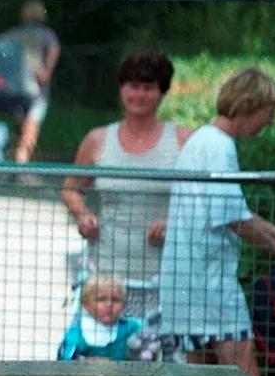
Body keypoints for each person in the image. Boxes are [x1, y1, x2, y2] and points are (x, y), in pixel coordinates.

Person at [158, 67, 275, 376]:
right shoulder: (220, 147)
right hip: (211, 288)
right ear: (250, 105)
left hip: (186, 287)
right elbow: (234, 220)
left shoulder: (203, 140)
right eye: (269, 113)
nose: (269, 121)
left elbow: (234, 211)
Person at [60, 49, 192, 321]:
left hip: (162, 273)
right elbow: (71, 189)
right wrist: (82, 215)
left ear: (162, 92)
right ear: (121, 89)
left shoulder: (182, 140)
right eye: (133, 86)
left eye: (149, 87)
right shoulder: (97, 139)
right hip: (106, 275)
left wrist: (174, 221)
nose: (140, 95)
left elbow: (203, 200)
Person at [0, 0, 59, 164]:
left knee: (22, 126)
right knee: (31, 127)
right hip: (37, 89)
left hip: (16, 88)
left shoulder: (14, 34)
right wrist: (45, 70)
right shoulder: (47, 35)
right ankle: (22, 160)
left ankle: (17, 157)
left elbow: (0, 49)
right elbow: (53, 52)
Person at [57, 275, 148, 362]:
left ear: (124, 305)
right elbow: (66, 364)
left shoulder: (131, 329)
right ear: (85, 304)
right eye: (101, 299)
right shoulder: (76, 334)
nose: (109, 304)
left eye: (115, 300)